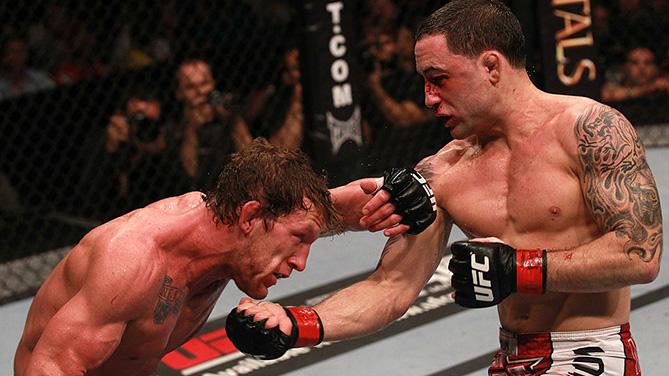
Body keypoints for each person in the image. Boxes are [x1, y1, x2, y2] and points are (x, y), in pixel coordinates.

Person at [226, 1, 662, 374]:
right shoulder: (444, 171)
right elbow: (391, 287)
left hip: (590, 353)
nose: (428, 98)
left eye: (439, 78)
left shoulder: (590, 129)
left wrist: (518, 268)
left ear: (490, 65)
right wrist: (296, 321)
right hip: (512, 357)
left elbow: (640, 254)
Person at [15, 137, 436, 375]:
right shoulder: (134, 261)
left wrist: (402, 192)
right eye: (298, 241)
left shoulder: (237, 233)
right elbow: (48, 368)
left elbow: (334, 208)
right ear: (252, 216)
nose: (302, 262)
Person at [174, 59, 253, 191]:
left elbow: (252, 158)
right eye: (190, 87)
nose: (200, 92)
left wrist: (233, 120)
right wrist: (191, 126)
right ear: (179, 93)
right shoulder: (176, 127)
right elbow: (190, 171)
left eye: (204, 84)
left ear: (213, 83)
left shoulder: (228, 116)